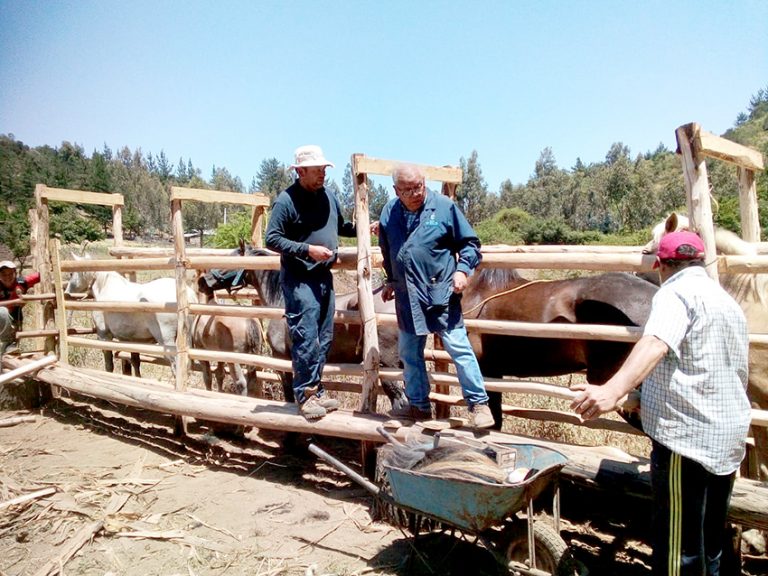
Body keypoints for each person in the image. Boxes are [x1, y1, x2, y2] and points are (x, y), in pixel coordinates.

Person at [570, 231, 750, 576]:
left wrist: (611, 390)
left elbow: (655, 344)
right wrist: (637, 397)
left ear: (661, 266)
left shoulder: (674, 293)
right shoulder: (726, 301)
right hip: (726, 439)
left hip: (688, 441)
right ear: (700, 261)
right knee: (709, 541)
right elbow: (705, 365)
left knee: (678, 551)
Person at [378, 163, 494, 428]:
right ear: (396, 190)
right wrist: (390, 281)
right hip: (407, 296)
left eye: (419, 186)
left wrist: (463, 270)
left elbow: (470, 244)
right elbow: (388, 251)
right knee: (409, 353)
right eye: (407, 189)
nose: (415, 193)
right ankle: (419, 407)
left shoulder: (443, 207)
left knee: (459, 348)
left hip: (440, 292)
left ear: (424, 182)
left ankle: (478, 405)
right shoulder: (389, 213)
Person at [265, 145, 356, 420]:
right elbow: (271, 238)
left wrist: (365, 226)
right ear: (301, 171)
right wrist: (307, 250)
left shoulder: (328, 196)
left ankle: (316, 390)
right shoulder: (286, 201)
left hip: (323, 276)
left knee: (325, 336)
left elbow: (341, 227)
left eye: (324, 170)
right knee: (306, 336)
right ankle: (304, 395)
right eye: (317, 171)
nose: (323, 175)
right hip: (300, 277)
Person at [0, 260, 40, 354]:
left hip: (15, 320)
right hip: (1, 320)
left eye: (10, 274)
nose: (7, 277)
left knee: (9, 352)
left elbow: (41, 275)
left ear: (15, 273)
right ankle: (8, 342)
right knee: (2, 312)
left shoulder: (22, 282)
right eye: (3, 274)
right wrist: (15, 302)